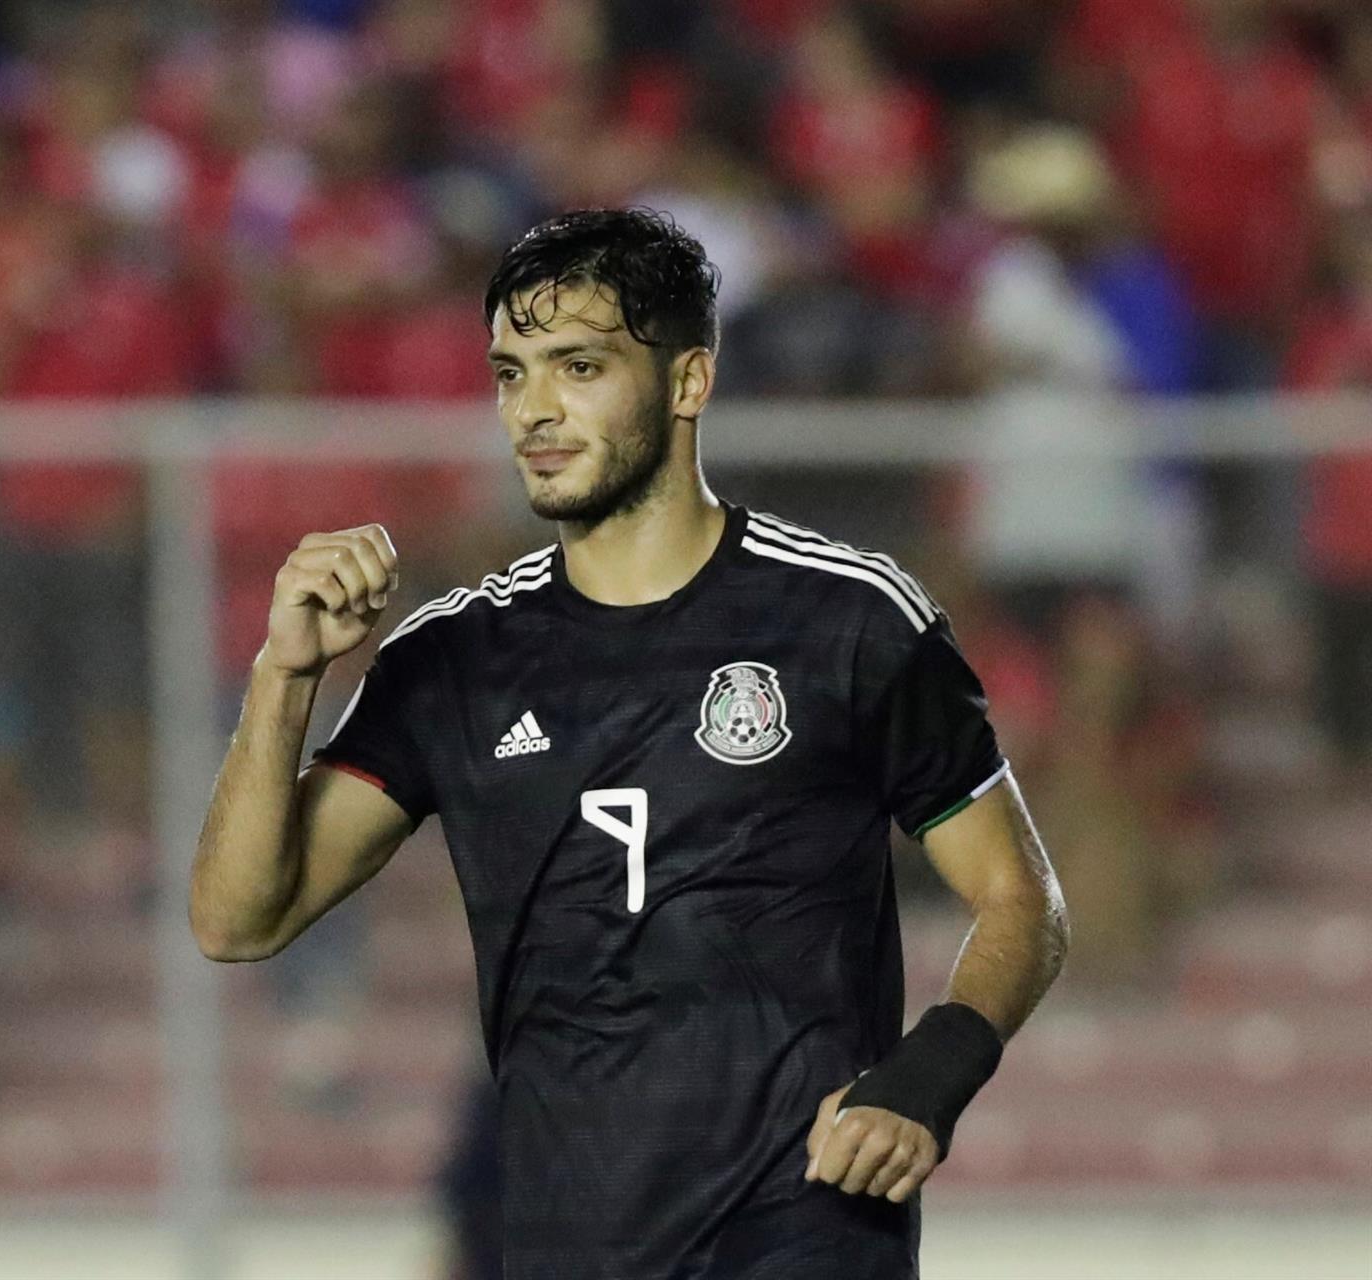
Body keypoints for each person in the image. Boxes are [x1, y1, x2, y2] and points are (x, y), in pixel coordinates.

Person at [190, 208, 1070, 1278]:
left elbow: (1022, 898)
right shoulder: (455, 660)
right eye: (512, 374)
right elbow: (239, 919)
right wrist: (285, 674)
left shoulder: (850, 619)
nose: (535, 410)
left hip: (805, 1232)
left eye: (579, 366)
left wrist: (930, 1072)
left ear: (688, 381)